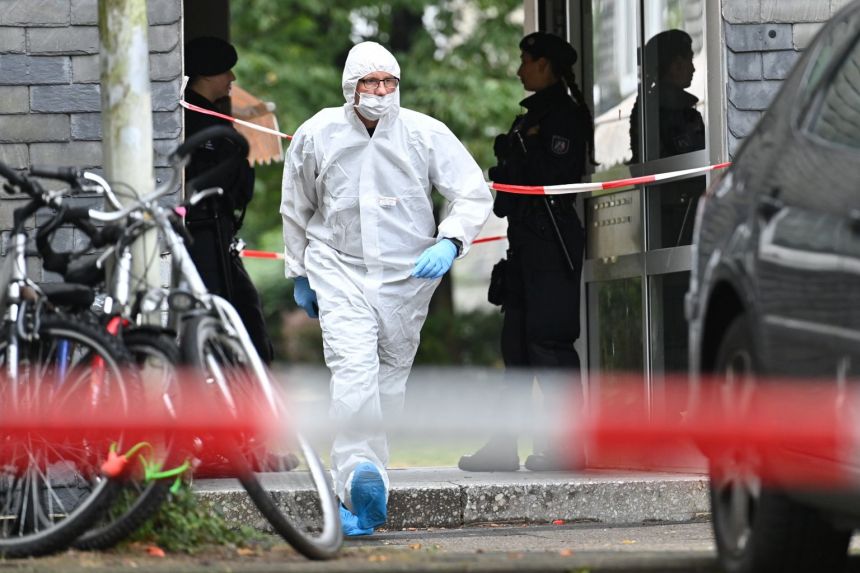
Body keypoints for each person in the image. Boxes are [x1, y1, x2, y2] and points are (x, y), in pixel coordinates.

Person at [280, 41, 492, 536]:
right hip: (339, 268)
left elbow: (471, 191)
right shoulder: (317, 134)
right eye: (369, 82)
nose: (379, 91)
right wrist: (300, 272)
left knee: (389, 384)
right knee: (353, 371)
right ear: (349, 87)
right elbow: (296, 206)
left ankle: (368, 478)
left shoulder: (424, 133)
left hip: (407, 277)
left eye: (388, 81)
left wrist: (451, 240)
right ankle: (357, 479)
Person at [458, 31, 592, 473]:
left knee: (549, 343)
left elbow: (552, 177)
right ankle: (503, 445)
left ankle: (566, 447)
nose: (519, 70)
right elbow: (511, 188)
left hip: (552, 241)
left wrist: (519, 156)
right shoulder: (530, 119)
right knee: (515, 347)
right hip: (524, 243)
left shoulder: (564, 116)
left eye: (526, 61)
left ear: (545, 65)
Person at [183, 36, 274, 364]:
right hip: (204, 233)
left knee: (243, 306)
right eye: (225, 71)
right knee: (229, 309)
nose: (232, 78)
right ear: (208, 73)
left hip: (217, 231)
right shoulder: (197, 119)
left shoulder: (208, 116)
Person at [629, 29, 705, 164]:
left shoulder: (649, 110)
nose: (693, 69)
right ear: (676, 66)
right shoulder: (653, 113)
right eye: (690, 60)